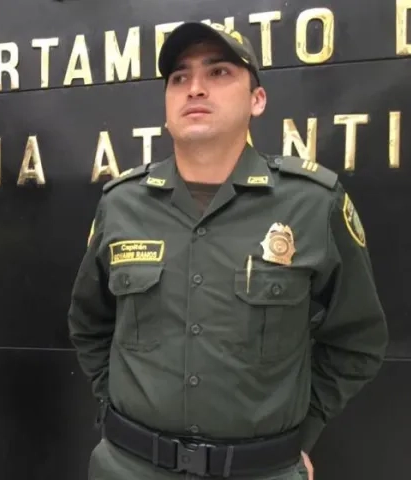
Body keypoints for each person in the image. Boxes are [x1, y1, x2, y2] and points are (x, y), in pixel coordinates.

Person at [68, 21, 388, 480]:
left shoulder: (313, 203)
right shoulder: (121, 203)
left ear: (257, 100)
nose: (195, 88)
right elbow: (89, 323)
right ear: (167, 105)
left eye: (218, 73)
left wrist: (301, 430)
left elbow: (357, 339)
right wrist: (115, 398)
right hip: (128, 467)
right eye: (179, 77)